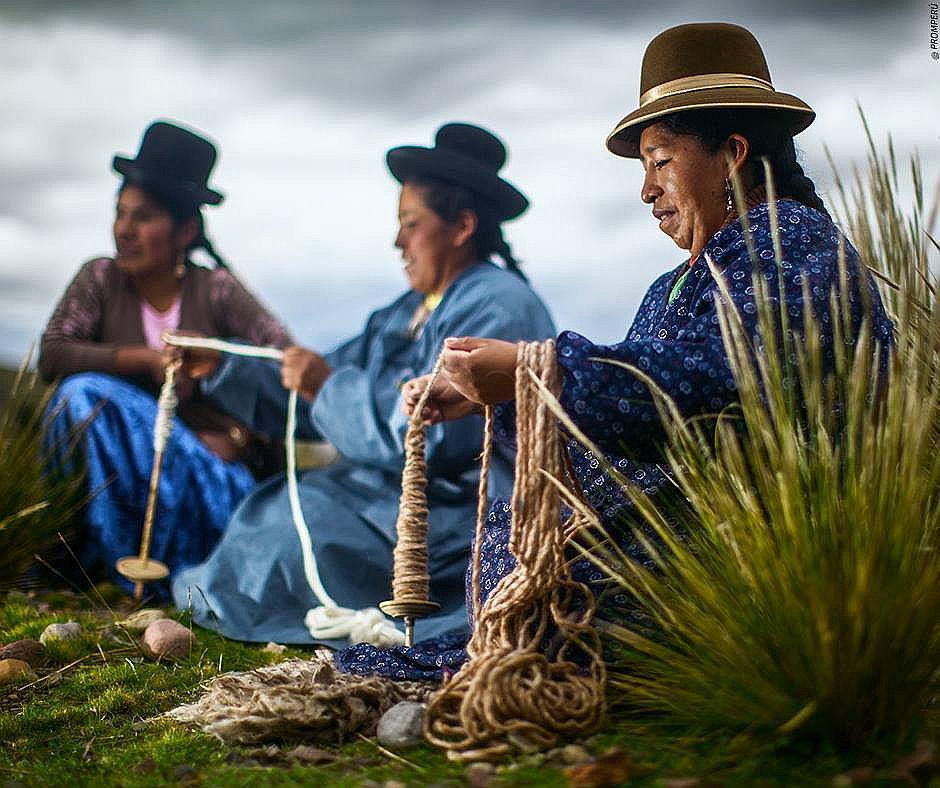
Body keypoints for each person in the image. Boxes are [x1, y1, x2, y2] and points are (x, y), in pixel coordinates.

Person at [335, 23, 895, 680]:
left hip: (769, 557)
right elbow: (637, 396)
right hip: (709, 532)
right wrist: (505, 387)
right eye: (643, 168)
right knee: (528, 575)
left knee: (550, 603)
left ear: (732, 153)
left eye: (661, 161)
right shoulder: (698, 272)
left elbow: (704, 394)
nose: (646, 189)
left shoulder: (789, 251)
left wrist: (529, 370)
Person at [171, 123, 557, 645]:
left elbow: (436, 438)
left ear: (462, 226)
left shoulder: (497, 304)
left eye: (411, 223)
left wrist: (326, 387)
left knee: (291, 525)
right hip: (383, 495)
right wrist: (220, 370)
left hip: (457, 515)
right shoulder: (403, 311)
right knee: (279, 507)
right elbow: (315, 402)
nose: (397, 240)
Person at [40, 120, 293, 594]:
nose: (124, 230)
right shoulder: (99, 280)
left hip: (205, 487)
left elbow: (287, 369)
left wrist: (239, 435)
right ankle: (92, 560)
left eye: (144, 217)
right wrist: (147, 360)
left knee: (85, 393)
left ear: (185, 230)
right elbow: (53, 354)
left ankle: (152, 573)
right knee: (78, 396)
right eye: (120, 214)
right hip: (122, 486)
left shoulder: (216, 291)